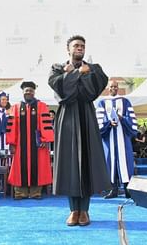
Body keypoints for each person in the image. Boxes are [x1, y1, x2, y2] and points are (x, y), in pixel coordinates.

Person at [49, 35, 110, 227]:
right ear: (68, 49)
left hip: (86, 117)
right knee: (69, 164)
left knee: (86, 163)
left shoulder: (94, 69)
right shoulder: (57, 69)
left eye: (82, 46)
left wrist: (79, 74)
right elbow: (63, 92)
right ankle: (73, 210)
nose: (80, 48)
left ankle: (84, 210)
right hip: (67, 118)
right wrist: (77, 74)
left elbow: (89, 93)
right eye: (76, 45)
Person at [6, 81, 54, 200]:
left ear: (34, 92)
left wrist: (45, 139)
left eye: (31, 91)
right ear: (23, 92)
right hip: (20, 145)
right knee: (19, 167)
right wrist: (12, 142)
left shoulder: (41, 106)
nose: (29, 92)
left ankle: (35, 192)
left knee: (38, 166)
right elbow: (11, 127)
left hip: (38, 144)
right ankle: (20, 192)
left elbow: (46, 124)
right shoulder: (16, 107)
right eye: (26, 90)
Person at [96, 79, 138, 199]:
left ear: (118, 88)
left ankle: (127, 189)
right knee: (110, 162)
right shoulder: (102, 102)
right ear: (107, 88)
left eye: (115, 86)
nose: (113, 88)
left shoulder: (125, 102)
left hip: (123, 138)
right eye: (111, 87)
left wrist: (122, 118)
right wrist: (109, 123)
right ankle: (113, 190)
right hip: (109, 138)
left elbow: (132, 120)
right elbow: (99, 121)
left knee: (125, 163)